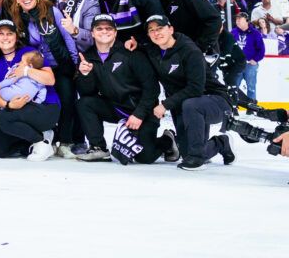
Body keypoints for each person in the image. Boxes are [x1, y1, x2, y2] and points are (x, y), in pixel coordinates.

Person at [75, 14, 176, 164]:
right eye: (99, 28)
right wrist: (84, 75)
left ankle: (167, 139)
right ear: (92, 33)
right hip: (116, 107)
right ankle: (98, 148)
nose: (104, 31)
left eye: (109, 28)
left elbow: (152, 88)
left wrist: (139, 114)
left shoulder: (130, 52)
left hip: (143, 110)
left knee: (144, 157)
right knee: (84, 103)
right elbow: (87, 93)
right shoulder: (87, 57)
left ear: (115, 32)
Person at [142, 14, 234, 171]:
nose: (156, 33)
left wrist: (165, 105)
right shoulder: (153, 51)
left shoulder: (190, 51)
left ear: (170, 29)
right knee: (187, 152)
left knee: (191, 106)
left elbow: (195, 88)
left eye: (160, 28)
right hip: (184, 106)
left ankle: (197, 160)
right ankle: (221, 143)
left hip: (215, 101)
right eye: (152, 30)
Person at [10, 0, 79, 155]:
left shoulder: (51, 10)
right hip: (39, 68)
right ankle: (44, 137)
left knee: (67, 99)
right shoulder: (18, 18)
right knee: (42, 102)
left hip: (60, 63)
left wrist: (74, 63)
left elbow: (67, 37)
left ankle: (65, 141)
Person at [0, 19, 60, 161]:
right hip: (15, 110)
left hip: (43, 108)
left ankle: (41, 141)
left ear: (16, 37)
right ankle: (38, 137)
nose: (5, 37)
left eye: (9, 33)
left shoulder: (29, 53)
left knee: (1, 118)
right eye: (1, 34)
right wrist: (8, 105)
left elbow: (50, 79)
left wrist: (25, 71)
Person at [231, 10, 265, 101]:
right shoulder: (233, 32)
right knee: (234, 86)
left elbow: (261, 49)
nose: (237, 21)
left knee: (251, 87)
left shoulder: (255, 33)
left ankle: (252, 107)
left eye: (240, 19)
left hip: (250, 64)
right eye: (236, 19)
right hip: (237, 64)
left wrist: (255, 59)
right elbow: (229, 47)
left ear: (246, 20)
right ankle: (234, 107)